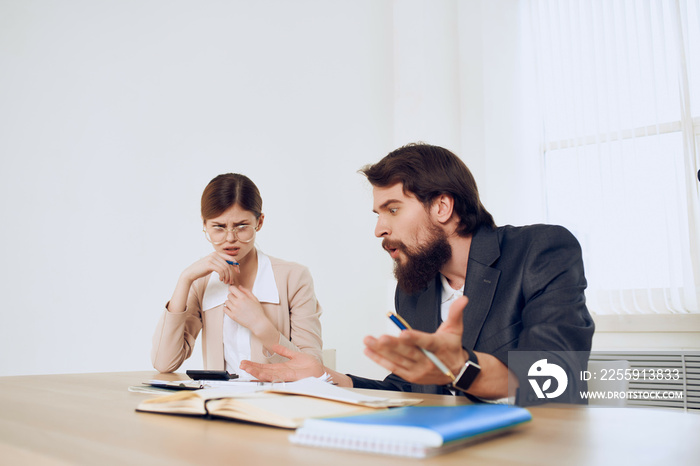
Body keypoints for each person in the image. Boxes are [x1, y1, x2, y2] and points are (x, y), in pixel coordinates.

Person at [241, 144, 594, 404]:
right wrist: (327, 378)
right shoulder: (414, 288)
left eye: (392, 209)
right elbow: (410, 388)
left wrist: (461, 368)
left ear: (442, 206)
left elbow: (554, 377)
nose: (379, 229)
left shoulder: (540, 250)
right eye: (377, 214)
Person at [151, 173, 323, 378]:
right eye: (219, 227)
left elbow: (314, 371)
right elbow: (164, 362)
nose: (230, 238)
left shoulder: (294, 278)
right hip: (220, 404)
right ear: (204, 225)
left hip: (278, 405)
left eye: (242, 226)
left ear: (259, 222)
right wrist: (185, 279)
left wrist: (261, 325)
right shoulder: (201, 282)